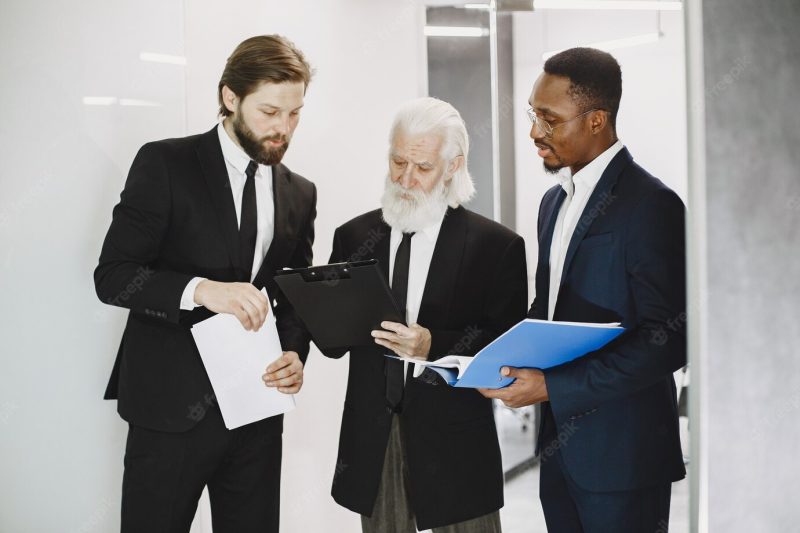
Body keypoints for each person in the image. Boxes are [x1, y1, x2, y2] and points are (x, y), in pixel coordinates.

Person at [94, 35, 316, 533]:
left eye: (295, 113)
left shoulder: (301, 193)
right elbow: (113, 276)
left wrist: (296, 353)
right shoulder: (165, 164)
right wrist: (201, 289)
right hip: (170, 412)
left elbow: (292, 295)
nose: (284, 128)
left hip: (258, 413)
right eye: (270, 112)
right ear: (229, 97)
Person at [479, 47, 687, 532]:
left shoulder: (652, 205)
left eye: (549, 120)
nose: (535, 132)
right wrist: (494, 362)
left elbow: (670, 338)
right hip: (559, 453)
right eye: (534, 115)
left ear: (597, 120)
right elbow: (548, 310)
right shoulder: (553, 203)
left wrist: (552, 386)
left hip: (625, 461)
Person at [322, 97, 528, 533]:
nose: (406, 179)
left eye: (423, 167)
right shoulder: (354, 236)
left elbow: (505, 347)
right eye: (398, 162)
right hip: (373, 441)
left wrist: (434, 344)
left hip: (457, 444)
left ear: (453, 167)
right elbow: (333, 342)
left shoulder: (497, 247)